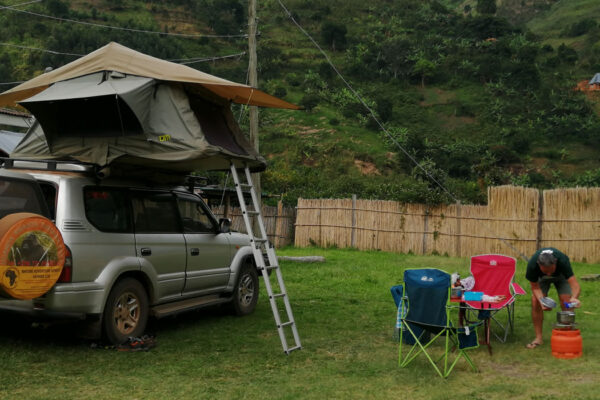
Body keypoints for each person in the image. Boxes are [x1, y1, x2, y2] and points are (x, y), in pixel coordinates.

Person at [525, 247, 581, 349]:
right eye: (546, 271)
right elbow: (535, 287)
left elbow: (575, 285)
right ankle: (538, 338)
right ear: (539, 264)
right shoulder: (532, 265)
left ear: (555, 262)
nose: (549, 274)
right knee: (535, 302)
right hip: (541, 278)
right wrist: (542, 302)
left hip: (561, 276)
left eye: (551, 270)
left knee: (566, 302)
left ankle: (567, 335)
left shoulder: (563, 261)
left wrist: (574, 298)